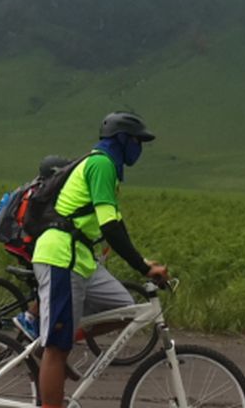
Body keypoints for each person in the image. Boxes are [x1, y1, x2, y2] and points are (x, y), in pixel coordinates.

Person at [18, 110, 169, 408]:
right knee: (57, 349)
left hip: (82, 259)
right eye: (138, 141)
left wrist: (144, 261)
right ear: (123, 140)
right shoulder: (100, 164)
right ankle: (53, 350)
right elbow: (110, 228)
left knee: (125, 310)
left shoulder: (106, 168)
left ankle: (54, 336)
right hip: (62, 256)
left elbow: (115, 222)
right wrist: (141, 267)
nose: (140, 147)